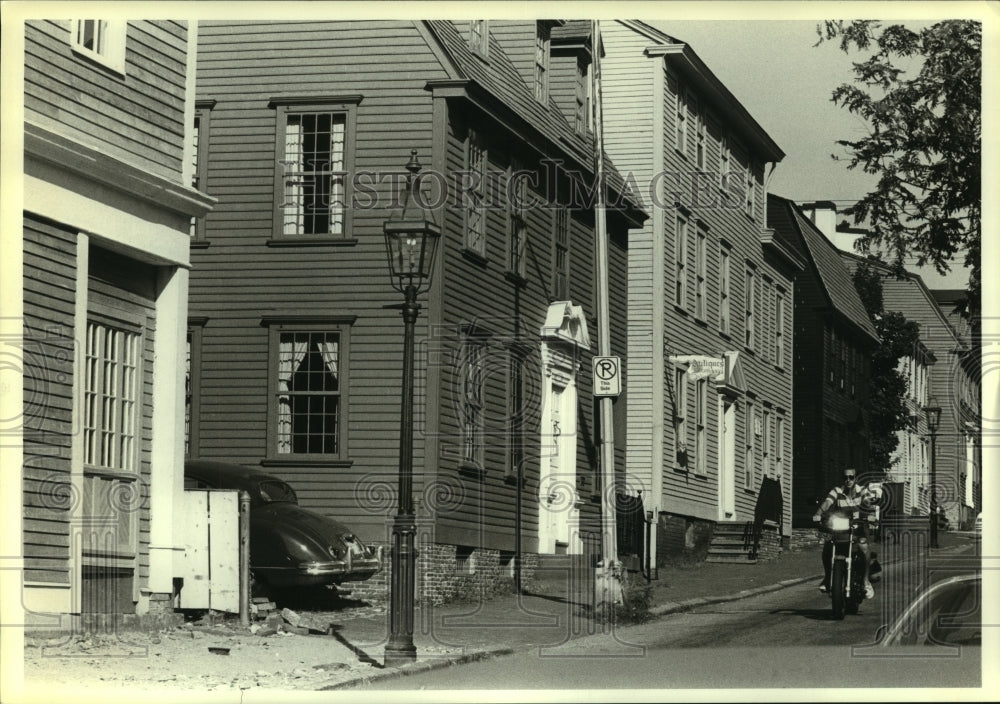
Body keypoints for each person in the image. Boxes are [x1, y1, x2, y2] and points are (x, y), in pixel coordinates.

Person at [812, 468, 875, 599]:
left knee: (864, 548)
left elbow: (868, 503)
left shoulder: (863, 491)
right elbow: (827, 503)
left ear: (855, 479)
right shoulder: (837, 491)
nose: (848, 480)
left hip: (858, 528)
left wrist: (871, 514)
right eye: (845, 477)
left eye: (851, 477)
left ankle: (866, 581)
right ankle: (827, 578)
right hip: (842, 528)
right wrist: (818, 514)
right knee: (828, 547)